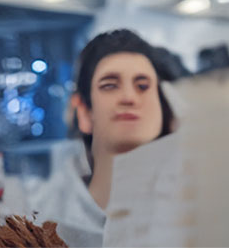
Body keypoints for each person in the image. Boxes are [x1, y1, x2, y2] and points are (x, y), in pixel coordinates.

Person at [24, 29, 180, 248]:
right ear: (85, 112)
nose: (129, 97)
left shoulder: (194, 221)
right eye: (110, 85)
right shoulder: (40, 221)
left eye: (143, 86)